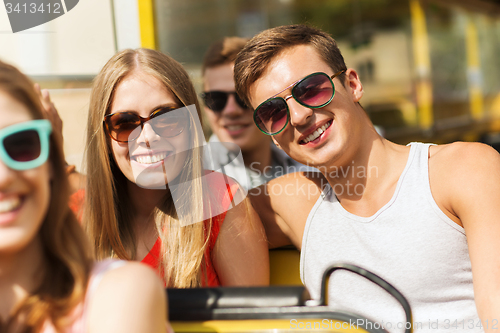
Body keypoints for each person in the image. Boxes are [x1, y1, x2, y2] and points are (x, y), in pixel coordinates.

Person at [234, 24, 500, 332]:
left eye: (310, 89)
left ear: (353, 84)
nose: (298, 116)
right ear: (273, 138)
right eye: (273, 112)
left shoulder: (462, 170)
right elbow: (186, 215)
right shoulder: (293, 201)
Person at [0, 60, 167, 333]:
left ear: (51, 164)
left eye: (22, 144)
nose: (3, 175)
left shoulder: (118, 294)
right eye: (125, 123)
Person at [82, 48, 269, 288]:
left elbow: (253, 322)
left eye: (167, 119)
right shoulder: (80, 217)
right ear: (104, 139)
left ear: (191, 126)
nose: (147, 136)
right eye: (125, 123)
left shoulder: (222, 201)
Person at [201, 37, 312, 190]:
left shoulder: (311, 161)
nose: (231, 111)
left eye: (242, 99)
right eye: (216, 99)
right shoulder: (193, 175)